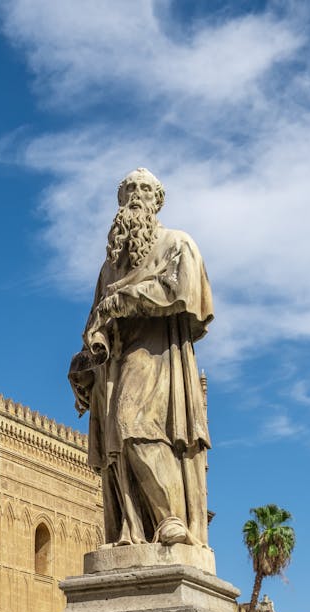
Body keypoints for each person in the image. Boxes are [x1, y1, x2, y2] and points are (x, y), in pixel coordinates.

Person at [68, 168, 213, 548]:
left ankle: (170, 520)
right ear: (120, 200)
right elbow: (95, 319)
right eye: (129, 189)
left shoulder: (176, 243)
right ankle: (132, 529)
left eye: (145, 189)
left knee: (134, 425)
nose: (136, 195)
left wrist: (126, 299)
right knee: (116, 441)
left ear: (157, 199)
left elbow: (182, 289)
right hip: (114, 364)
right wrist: (84, 361)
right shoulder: (109, 267)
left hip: (157, 355)